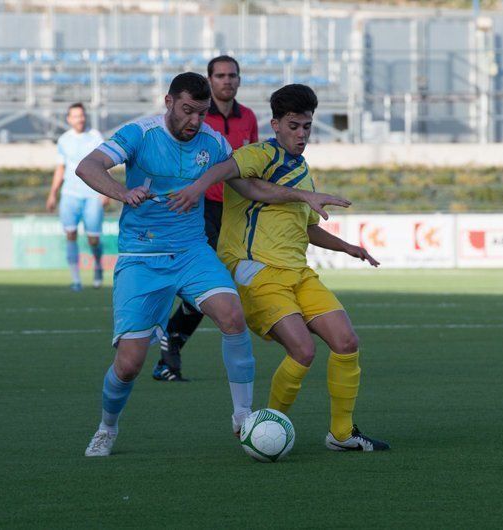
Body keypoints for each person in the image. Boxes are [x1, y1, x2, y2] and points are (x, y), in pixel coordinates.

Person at [169, 84, 391, 452]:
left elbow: (306, 228)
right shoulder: (260, 154)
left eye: (307, 126)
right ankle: (265, 430)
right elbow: (224, 169)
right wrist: (195, 190)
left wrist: (349, 247)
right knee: (303, 351)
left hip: (298, 273)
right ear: (275, 124)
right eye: (294, 126)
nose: (301, 134)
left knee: (346, 342)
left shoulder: (302, 171)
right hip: (256, 272)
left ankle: (341, 433)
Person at [153, 55, 259, 382]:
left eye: (233, 75)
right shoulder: (195, 115)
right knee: (209, 284)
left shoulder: (249, 117)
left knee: (217, 288)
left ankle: (170, 345)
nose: (227, 81)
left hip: (235, 213)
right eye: (221, 76)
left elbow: (250, 165)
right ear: (210, 80)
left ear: (239, 80)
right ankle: (168, 346)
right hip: (200, 212)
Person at [46, 103, 107, 291]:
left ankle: (98, 266)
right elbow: (60, 169)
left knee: (93, 239)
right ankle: (76, 280)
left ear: (85, 116)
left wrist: (106, 191)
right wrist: (52, 194)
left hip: (92, 194)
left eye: (81, 115)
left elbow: (104, 164)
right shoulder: (64, 140)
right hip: (70, 194)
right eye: (75, 116)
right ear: (68, 119)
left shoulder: (95, 136)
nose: (79, 119)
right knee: (70, 234)